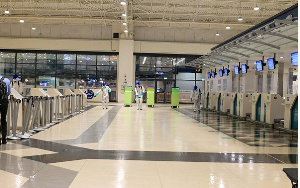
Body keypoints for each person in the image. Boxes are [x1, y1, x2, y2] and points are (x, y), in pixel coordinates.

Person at [0, 74, 11, 144]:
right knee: (3, 120)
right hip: (4, 102)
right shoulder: (7, 80)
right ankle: (4, 138)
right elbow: (8, 92)